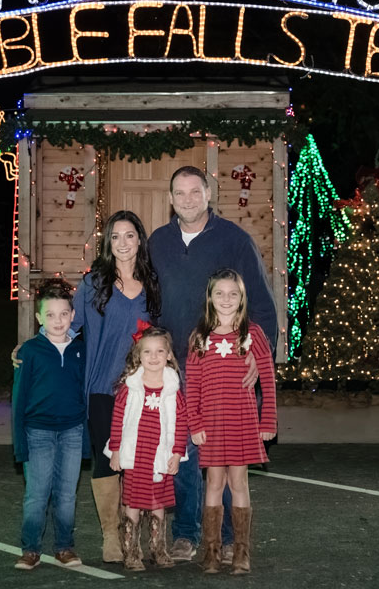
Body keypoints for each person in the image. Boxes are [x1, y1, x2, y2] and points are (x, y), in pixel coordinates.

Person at [148, 166, 278, 561]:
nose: (188, 199)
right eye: (180, 193)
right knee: (184, 455)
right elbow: (148, 301)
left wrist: (259, 353)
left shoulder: (235, 240)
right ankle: (187, 533)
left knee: (222, 456)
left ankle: (226, 539)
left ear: (208, 194)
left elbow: (261, 303)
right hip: (175, 367)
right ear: (170, 199)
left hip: (224, 368)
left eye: (195, 191)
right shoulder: (158, 242)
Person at [71, 210, 162, 563]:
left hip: (140, 390)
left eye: (129, 235)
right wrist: (35, 347)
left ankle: (132, 534)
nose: (122, 243)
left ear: (140, 239)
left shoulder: (153, 285)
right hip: (101, 389)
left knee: (139, 464)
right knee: (108, 460)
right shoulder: (93, 283)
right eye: (115, 237)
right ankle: (111, 535)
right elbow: (68, 326)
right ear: (108, 243)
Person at [186, 269, 277, 574]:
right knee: (213, 482)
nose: (226, 299)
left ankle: (241, 552)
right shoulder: (199, 338)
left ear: (242, 299)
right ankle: (211, 551)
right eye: (219, 293)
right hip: (211, 425)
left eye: (233, 294)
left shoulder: (253, 335)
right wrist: (195, 424)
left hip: (242, 422)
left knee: (238, 483)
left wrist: (268, 422)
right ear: (210, 298)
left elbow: (268, 378)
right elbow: (193, 386)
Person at [11, 279, 86, 571]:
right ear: (39, 318)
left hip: (72, 432)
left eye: (64, 314)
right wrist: (20, 442)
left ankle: (64, 547)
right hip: (37, 432)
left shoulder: (81, 351)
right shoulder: (29, 352)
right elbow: (18, 400)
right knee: (37, 494)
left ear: (72, 315)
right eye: (50, 315)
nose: (58, 321)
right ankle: (30, 549)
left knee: (67, 494)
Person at [107, 326, 187, 571]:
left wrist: (176, 452)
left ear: (169, 355)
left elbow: (181, 422)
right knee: (132, 503)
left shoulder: (174, 390)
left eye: (160, 351)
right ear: (138, 356)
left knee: (157, 502)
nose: (154, 357)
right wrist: (116, 450)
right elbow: (118, 420)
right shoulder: (129, 389)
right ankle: (131, 552)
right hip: (135, 455)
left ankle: (158, 549)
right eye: (148, 352)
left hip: (160, 456)